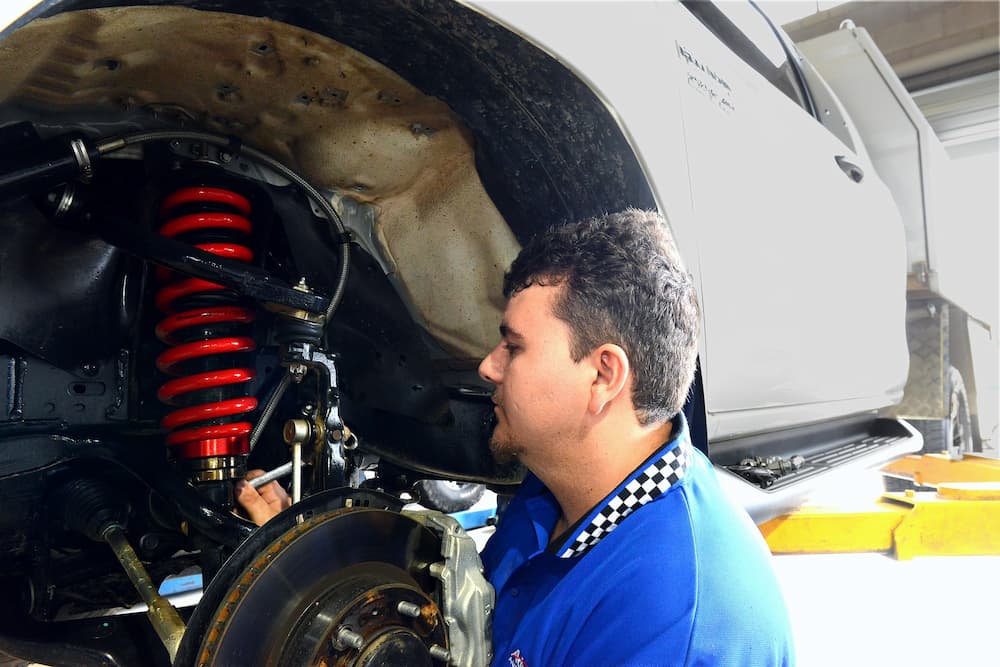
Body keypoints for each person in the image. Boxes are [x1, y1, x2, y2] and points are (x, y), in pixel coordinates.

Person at [236, 209, 795, 666]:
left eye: (515, 346)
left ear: (602, 375)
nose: (487, 366)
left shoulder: (668, 621)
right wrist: (304, 563)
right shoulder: (563, 487)